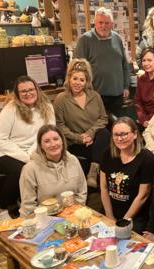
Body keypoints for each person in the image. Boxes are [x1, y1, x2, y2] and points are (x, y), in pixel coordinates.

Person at [0, 75, 55, 220]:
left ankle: (25, 201)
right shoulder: (10, 110)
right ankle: (0, 209)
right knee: (23, 169)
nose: (28, 93)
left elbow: (48, 132)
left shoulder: (47, 107)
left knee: (47, 164)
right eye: (23, 91)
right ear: (17, 94)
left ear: (37, 89)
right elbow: (0, 139)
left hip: (31, 149)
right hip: (0, 151)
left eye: (31, 89)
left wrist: (32, 154)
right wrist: (26, 157)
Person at [53, 59, 110, 187]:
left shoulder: (95, 96)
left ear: (86, 82)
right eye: (75, 79)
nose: (78, 83)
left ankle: (93, 171)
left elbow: (103, 118)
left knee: (104, 133)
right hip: (75, 142)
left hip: (95, 140)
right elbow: (59, 125)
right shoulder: (61, 99)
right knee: (104, 152)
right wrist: (79, 138)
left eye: (82, 80)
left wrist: (90, 133)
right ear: (69, 79)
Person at [19, 125, 87, 217]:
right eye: (47, 141)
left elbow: (82, 191)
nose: (53, 144)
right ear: (41, 145)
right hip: (45, 219)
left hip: (72, 215)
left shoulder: (73, 160)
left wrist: (74, 212)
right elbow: (28, 207)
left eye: (56, 139)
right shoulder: (30, 169)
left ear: (62, 141)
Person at [99, 117, 153, 232]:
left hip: (135, 217)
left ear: (135, 134)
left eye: (124, 134)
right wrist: (109, 216)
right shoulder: (107, 153)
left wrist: (123, 221)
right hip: (110, 212)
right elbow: (103, 187)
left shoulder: (146, 158)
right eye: (116, 135)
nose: (120, 138)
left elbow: (143, 195)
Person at [75, 7, 129, 117]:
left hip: (118, 95)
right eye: (100, 22)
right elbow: (78, 69)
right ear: (94, 22)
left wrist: (126, 86)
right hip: (96, 96)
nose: (104, 26)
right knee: (100, 129)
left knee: (116, 127)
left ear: (111, 24)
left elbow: (124, 64)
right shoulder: (85, 40)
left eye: (107, 23)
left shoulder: (117, 38)